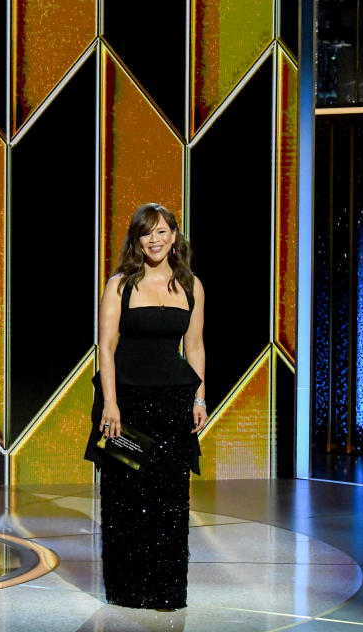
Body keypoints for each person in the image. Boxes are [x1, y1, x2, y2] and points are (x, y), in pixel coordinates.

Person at [92, 202, 208, 609]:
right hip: (127, 406)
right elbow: (106, 349)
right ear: (137, 239)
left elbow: (194, 346)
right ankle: (127, 590)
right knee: (125, 496)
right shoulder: (119, 284)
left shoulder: (192, 286)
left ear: (174, 236)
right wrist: (111, 404)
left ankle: (165, 590)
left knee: (170, 499)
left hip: (174, 406)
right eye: (147, 233)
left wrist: (199, 396)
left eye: (162, 231)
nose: (155, 239)